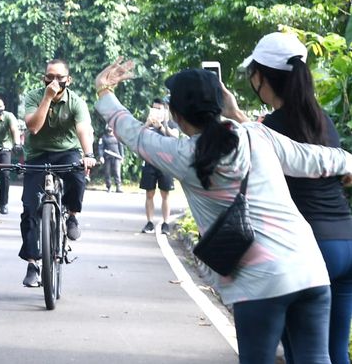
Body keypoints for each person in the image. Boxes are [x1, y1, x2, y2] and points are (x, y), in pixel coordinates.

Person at [95, 61, 352, 364]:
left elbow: (132, 133)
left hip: (258, 284)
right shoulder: (257, 135)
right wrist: (348, 164)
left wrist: (104, 90)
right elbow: (314, 158)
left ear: (177, 116)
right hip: (309, 270)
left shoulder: (181, 155)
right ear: (219, 105)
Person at [236, 32, 352, 364]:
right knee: (334, 352)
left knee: (303, 352)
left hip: (309, 250)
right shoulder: (323, 120)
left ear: (260, 77)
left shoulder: (272, 126)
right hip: (345, 240)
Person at [20, 58, 96, 287]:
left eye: (59, 78)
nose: (54, 81)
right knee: (30, 208)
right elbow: (33, 127)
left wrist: (88, 154)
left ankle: (72, 214)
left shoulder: (77, 102)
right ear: (44, 78)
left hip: (67, 152)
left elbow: (83, 128)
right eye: (49, 77)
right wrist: (47, 98)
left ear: (68, 80)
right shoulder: (34, 96)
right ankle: (32, 262)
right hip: (37, 154)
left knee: (78, 176)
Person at [139, 98, 178, 235]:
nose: (157, 111)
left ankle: (165, 223)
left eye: (159, 109)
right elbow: (139, 137)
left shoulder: (171, 124)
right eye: (154, 108)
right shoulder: (148, 124)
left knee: (165, 194)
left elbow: (175, 138)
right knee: (149, 193)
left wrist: (161, 127)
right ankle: (149, 222)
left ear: (165, 110)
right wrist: (147, 124)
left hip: (166, 164)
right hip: (150, 162)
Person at [99, 126, 124, 193]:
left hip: (117, 157)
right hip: (107, 157)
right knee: (107, 172)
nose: (110, 130)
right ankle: (109, 187)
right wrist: (101, 157)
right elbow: (100, 148)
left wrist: (122, 157)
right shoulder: (103, 137)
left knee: (117, 172)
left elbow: (121, 147)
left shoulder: (117, 137)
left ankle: (118, 187)